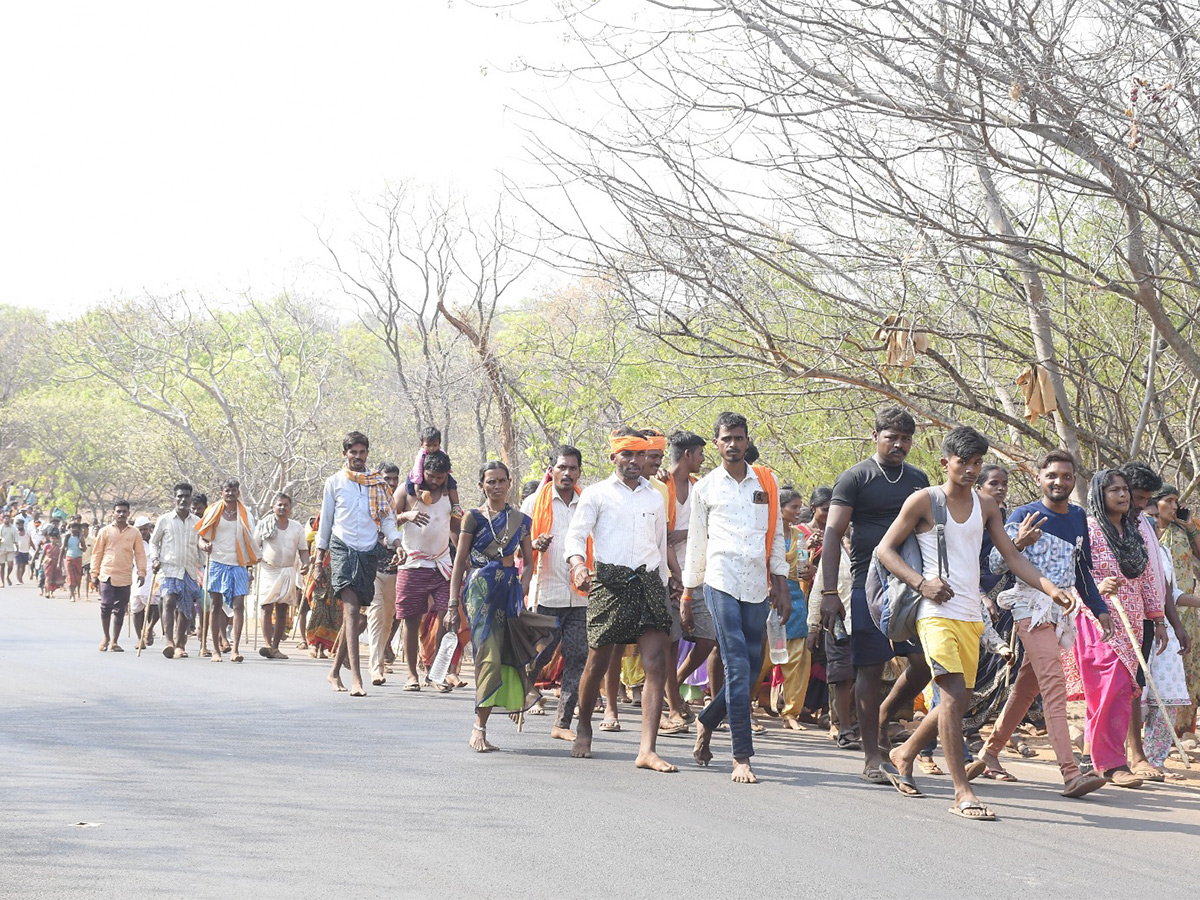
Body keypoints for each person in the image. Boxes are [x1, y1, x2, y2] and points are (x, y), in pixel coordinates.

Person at [878, 427, 1059, 819]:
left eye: (978, 462)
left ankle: (904, 752)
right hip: (934, 613)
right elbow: (885, 550)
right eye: (965, 462)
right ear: (946, 463)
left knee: (958, 700)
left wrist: (1051, 589)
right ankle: (962, 792)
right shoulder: (924, 500)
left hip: (970, 614)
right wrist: (921, 583)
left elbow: (1012, 557)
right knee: (954, 696)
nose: (972, 470)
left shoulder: (987, 506)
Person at [978, 449, 1112, 797]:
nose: (1059, 482)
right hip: (1029, 608)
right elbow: (996, 563)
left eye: (1066, 476)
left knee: (1028, 686)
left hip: (1062, 611)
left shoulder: (1078, 517)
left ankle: (989, 752)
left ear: (1073, 481)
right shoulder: (1024, 514)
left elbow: (1083, 570)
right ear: (1039, 477)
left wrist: (1099, 608)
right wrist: (1019, 540)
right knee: (1054, 684)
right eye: (1052, 475)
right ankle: (1071, 773)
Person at [820, 407, 933, 784]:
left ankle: (884, 716)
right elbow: (833, 532)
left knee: (922, 665)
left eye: (905, 439)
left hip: (912, 583)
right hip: (867, 585)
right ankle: (872, 756)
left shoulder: (918, 479)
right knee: (868, 667)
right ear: (876, 436)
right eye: (892, 437)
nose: (899, 445)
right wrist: (830, 592)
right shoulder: (856, 477)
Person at [685, 412, 790, 784]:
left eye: (739, 438)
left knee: (751, 664)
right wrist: (687, 591)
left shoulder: (766, 482)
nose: (733, 444)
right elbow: (697, 543)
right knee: (736, 664)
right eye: (727, 438)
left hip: (756, 585)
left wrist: (781, 579)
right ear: (716, 443)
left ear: (747, 441)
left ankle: (707, 719)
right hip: (720, 581)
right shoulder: (706, 488)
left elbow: (775, 534)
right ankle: (741, 757)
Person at [564, 426, 677, 772]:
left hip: (648, 583)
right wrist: (579, 564)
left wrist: (668, 584)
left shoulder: (655, 496)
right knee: (597, 662)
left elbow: (660, 544)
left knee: (656, 662)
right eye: (626, 454)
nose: (634, 461)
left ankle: (647, 749)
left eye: (639, 454)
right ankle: (583, 727)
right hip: (609, 584)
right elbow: (576, 536)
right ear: (613, 457)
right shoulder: (597, 494)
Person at [447, 461, 554, 751]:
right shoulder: (472, 517)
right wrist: (452, 603)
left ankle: (513, 698)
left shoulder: (521, 520)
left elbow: (529, 562)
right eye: (490, 481)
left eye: (501, 481)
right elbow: (460, 562)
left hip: (509, 590)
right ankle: (478, 728)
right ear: (482, 484)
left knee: (516, 649)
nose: (496, 486)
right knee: (488, 656)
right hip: (480, 591)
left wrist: (524, 586)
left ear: (509, 482)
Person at [1070, 469, 1163, 787]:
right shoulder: (1089, 530)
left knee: (1123, 690)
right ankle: (1111, 763)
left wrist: (1158, 618)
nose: (1123, 496)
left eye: (1125, 490)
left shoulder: (1135, 531)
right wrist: (1099, 584)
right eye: (1115, 491)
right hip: (1100, 620)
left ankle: (1101, 759)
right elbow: (1073, 573)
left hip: (1133, 621)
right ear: (1099, 494)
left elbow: (1148, 579)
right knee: (1106, 688)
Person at [315, 431, 403, 697]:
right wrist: (319, 559)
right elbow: (326, 521)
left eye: (361, 452)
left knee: (354, 616)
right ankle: (356, 678)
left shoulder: (377, 484)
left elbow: (387, 518)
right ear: (345, 454)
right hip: (342, 547)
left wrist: (397, 543)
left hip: (368, 550)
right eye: (352, 452)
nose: (357, 456)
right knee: (352, 611)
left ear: (366, 454)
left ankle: (333, 672)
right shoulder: (335, 482)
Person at [521, 445, 591, 742]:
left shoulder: (588, 502)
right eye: (562, 467)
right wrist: (533, 545)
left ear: (578, 472)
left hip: (580, 595)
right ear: (552, 470)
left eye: (573, 468)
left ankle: (562, 723)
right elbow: (517, 542)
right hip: (546, 591)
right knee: (540, 654)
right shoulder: (534, 502)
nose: (567, 473)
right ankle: (521, 690)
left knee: (578, 657)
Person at [666, 430, 719, 723]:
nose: (702, 459)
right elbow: (660, 536)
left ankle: (673, 683)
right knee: (671, 642)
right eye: (700, 454)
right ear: (687, 454)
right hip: (669, 575)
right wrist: (675, 574)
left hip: (697, 573)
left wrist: (684, 534)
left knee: (707, 638)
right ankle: (674, 704)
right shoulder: (660, 486)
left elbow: (707, 528)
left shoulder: (699, 488)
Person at [394, 450, 455, 692]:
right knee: (411, 620)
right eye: (431, 476)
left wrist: (462, 554)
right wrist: (406, 515)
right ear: (423, 472)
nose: (435, 481)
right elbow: (388, 520)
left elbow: (456, 525)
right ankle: (411, 674)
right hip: (413, 564)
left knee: (446, 617)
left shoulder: (451, 492)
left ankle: (436, 673)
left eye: (440, 477)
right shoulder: (406, 490)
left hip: (442, 563)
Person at [1152, 483, 1200, 732]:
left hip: (1187, 612)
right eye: (1168, 501)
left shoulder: (1181, 532)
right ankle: (1160, 730)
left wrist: (1190, 525)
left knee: (1189, 669)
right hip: (1158, 613)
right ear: (1154, 504)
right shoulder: (1146, 533)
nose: (1174, 506)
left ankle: (1182, 731)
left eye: (1176, 501)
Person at [196, 479, 258, 664]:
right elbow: (200, 538)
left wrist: (250, 566)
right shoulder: (213, 511)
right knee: (215, 606)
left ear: (238, 492)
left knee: (239, 605)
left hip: (238, 563)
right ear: (221, 492)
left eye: (233, 490)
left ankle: (236, 649)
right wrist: (204, 546)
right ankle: (215, 649)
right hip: (216, 562)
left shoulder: (246, 514)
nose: (230, 493)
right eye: (227, 490)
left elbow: (250, 542)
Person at [254, 492, 310, 660]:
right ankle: (267, 643)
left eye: (285, 505)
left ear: (290, 509)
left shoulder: (297, 527)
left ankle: (275, 647)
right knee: (266, 606)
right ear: (273, 507)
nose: (282, 508)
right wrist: (254, 560)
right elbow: (254, 545)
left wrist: (306, 563)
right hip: (268, 569)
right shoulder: (265, 524)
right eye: (279, 504)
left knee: (282, 609)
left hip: (288, 570)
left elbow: (303, 550)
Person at [151, 482, 203, 659]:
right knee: (169, 601)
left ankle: (181, 644)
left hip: (189, 570)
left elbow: (201, 544)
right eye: (179, 496)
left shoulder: (197, 522)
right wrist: (155, 559)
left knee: (186, 609)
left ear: (190, 498)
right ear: (174, 498)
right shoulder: (164, 520)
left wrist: (205, 563)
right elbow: (154, 542)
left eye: (186, 496)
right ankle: (169, 642)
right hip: (168, 568)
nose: (183, 499)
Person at [778, 488, 815, 730]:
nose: (798, 511)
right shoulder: (767, 534)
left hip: (796, 602)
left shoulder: (798, 536)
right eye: (794, 506)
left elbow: (803, 566)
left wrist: (808, 569)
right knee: (762, 657)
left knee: (798, 659)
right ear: (780, 508)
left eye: (800, 506)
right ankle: (746, 708)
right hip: (770, 599)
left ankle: (791, 712)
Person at [91, 500, 147, 653]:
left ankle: (114, 641)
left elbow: (140, 554)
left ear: (128, 513)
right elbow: (97, 553)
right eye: (118, 511)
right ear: (113, 513)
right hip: (107, 574)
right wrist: (93, 573)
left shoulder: (134, 532)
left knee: (120, 609)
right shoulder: (105, 531)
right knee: (105, 606)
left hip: (125, 575)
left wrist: (142, 572)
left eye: (124, 511)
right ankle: (105, 637)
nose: (121, 514)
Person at [367, 463, 402, 686]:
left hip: (397, 571)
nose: (391, 483)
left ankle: (380, 656)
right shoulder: (370, 501)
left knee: (389, 619)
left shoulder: (403, 500)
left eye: (394, 479)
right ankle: (375, 668)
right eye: (387, 478)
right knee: (376, 616)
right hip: (374, 570)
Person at [404, 426, 461, 512]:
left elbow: (446, 470)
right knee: (409, 485)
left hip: (441, 472)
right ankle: (416, 501)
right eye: (428, 445)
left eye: (435, 445)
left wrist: (445, 486)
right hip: (418, 475)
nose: (432, 448)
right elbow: (418, 470)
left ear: (439, 444)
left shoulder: (441, 453)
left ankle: (456, 508)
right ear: (422, 444)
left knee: (452, 484)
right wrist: (417, 489)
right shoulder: (421, 455)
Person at [130, 516, 160, 648]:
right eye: (140, 530)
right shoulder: (133, 541)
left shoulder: (157, 540)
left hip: (155, 576)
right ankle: (139, 638)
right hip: (138, 575)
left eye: (145, 529)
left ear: (149, 528)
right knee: (136, 608)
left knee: (156, 605)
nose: (143, 532)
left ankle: (149, 627)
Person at [0, 512, 17, 586]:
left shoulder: (13, 528)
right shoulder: (1, 528)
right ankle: (2, 582)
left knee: (10, 565)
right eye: (5, 518)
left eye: (8, 518)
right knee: (2, 566)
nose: (7, 519)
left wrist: (17, 548)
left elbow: (16, 539)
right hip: (2, 548)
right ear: (3, 519)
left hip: (10, 548)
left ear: (10, 519)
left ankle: (8, 576)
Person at [15, 518, 32, 584]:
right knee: (18, 565)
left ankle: (21, 577)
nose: (20, 526)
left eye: (21, 524)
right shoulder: (15, 532)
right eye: (18, 524)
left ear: (23, 524)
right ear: (17, 525)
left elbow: (30, 541)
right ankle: (18, 580)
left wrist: (34, 547)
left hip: (26, 551)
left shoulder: (27, 532)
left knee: (24, 566)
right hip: (18, 551)